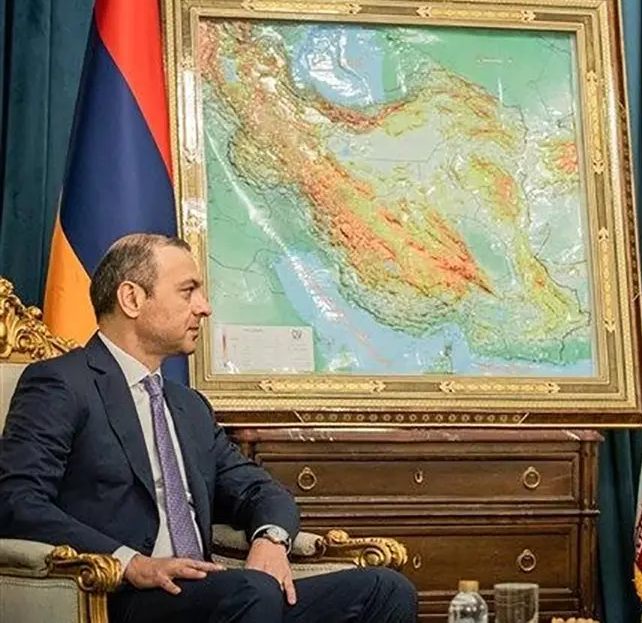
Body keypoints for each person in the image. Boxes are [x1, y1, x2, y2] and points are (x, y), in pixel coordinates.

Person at [0, 233, 418, 623]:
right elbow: (17, 502)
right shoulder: (61, 383)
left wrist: (271, 540)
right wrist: (131, 563)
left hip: (217, 592)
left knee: (385, 590)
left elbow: (260, 491)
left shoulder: (189, 407)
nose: (204, 307)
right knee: (252, 592)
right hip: (118, 592)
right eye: (188, 291)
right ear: (132, 298)